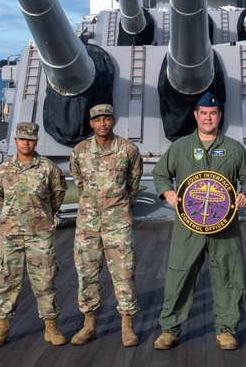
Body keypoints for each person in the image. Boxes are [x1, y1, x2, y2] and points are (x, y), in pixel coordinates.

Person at [151, 92, 246, 351]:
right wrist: (166, 191)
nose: (208, 118)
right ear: (196, 116)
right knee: (180, 274)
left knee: (228, 274)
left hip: (225, 226)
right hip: (188, 227)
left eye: (213, 113)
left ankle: (226, 330)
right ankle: (170, 329)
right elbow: (160, 174)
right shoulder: (180, 148)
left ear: (220, 115)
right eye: (203, 113)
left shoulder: (235, 148)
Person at [0, 121, 68, 348]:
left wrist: (42, 215)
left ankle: (51, 328)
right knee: (6, 282)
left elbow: (58, 195)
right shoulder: (3, 169)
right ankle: (2, 329)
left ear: (36, 141)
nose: (26, 143)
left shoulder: (48, 168)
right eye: (22, 139)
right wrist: (14, 215)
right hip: (10, 235)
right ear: (16, 141)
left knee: (45, 282)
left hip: (40, 235)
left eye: (31, 139)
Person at [69, 104, 143, 347]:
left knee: (124, 274)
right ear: (91, 123)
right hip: (87, 224)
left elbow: (133, 184)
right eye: (97, 120)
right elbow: (79, 183)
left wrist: (118, 206)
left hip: (117, 222)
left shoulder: (128, 150)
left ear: (113, 121)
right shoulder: (79, 151)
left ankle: (127, 326)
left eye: (107, 119)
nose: (102, 124)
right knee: (86, 275)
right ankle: (89, 325)